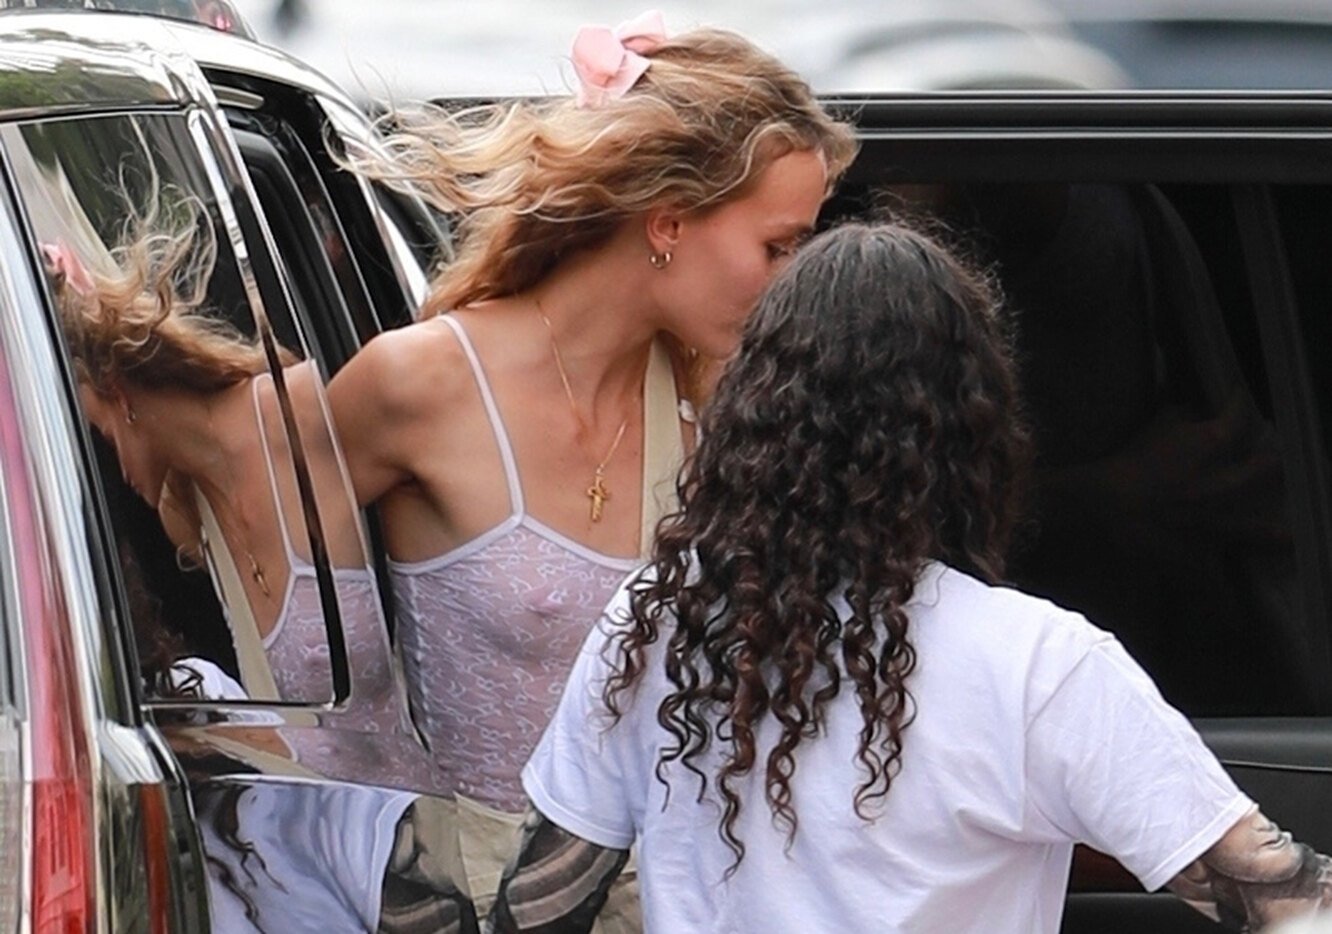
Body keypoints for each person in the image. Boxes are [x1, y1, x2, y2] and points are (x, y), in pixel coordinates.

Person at [495, 222, 1332, 933]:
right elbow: (1284, 903)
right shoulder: (1039, 666)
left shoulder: (660, 621)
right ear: (973, 430)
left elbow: (539, 907)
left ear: (753, 413)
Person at [328, 11, 856, 917]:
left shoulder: (725, 411)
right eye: (777, 246)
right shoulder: (420, 384)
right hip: (465, 902)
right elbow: (284, 652)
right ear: (669, 221)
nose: (791, 281)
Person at [45, 191, 422, 786]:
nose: (109, 464)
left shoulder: (303, 415)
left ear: (119, 393)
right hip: (322, 817)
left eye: (102, 432)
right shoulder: (182, 512)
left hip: (428, 811)